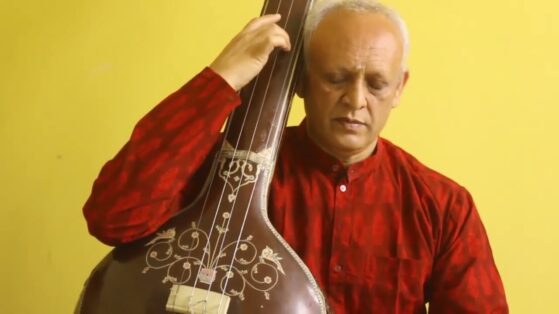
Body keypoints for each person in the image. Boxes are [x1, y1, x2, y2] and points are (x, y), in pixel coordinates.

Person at [83, 0, 508, 312]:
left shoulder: (443, 206)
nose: (356, 100)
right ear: (300, 80)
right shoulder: (226, 169)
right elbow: (113, 215)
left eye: (377, 83)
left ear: (400, 88)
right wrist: (222, 79)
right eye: (336, 78)